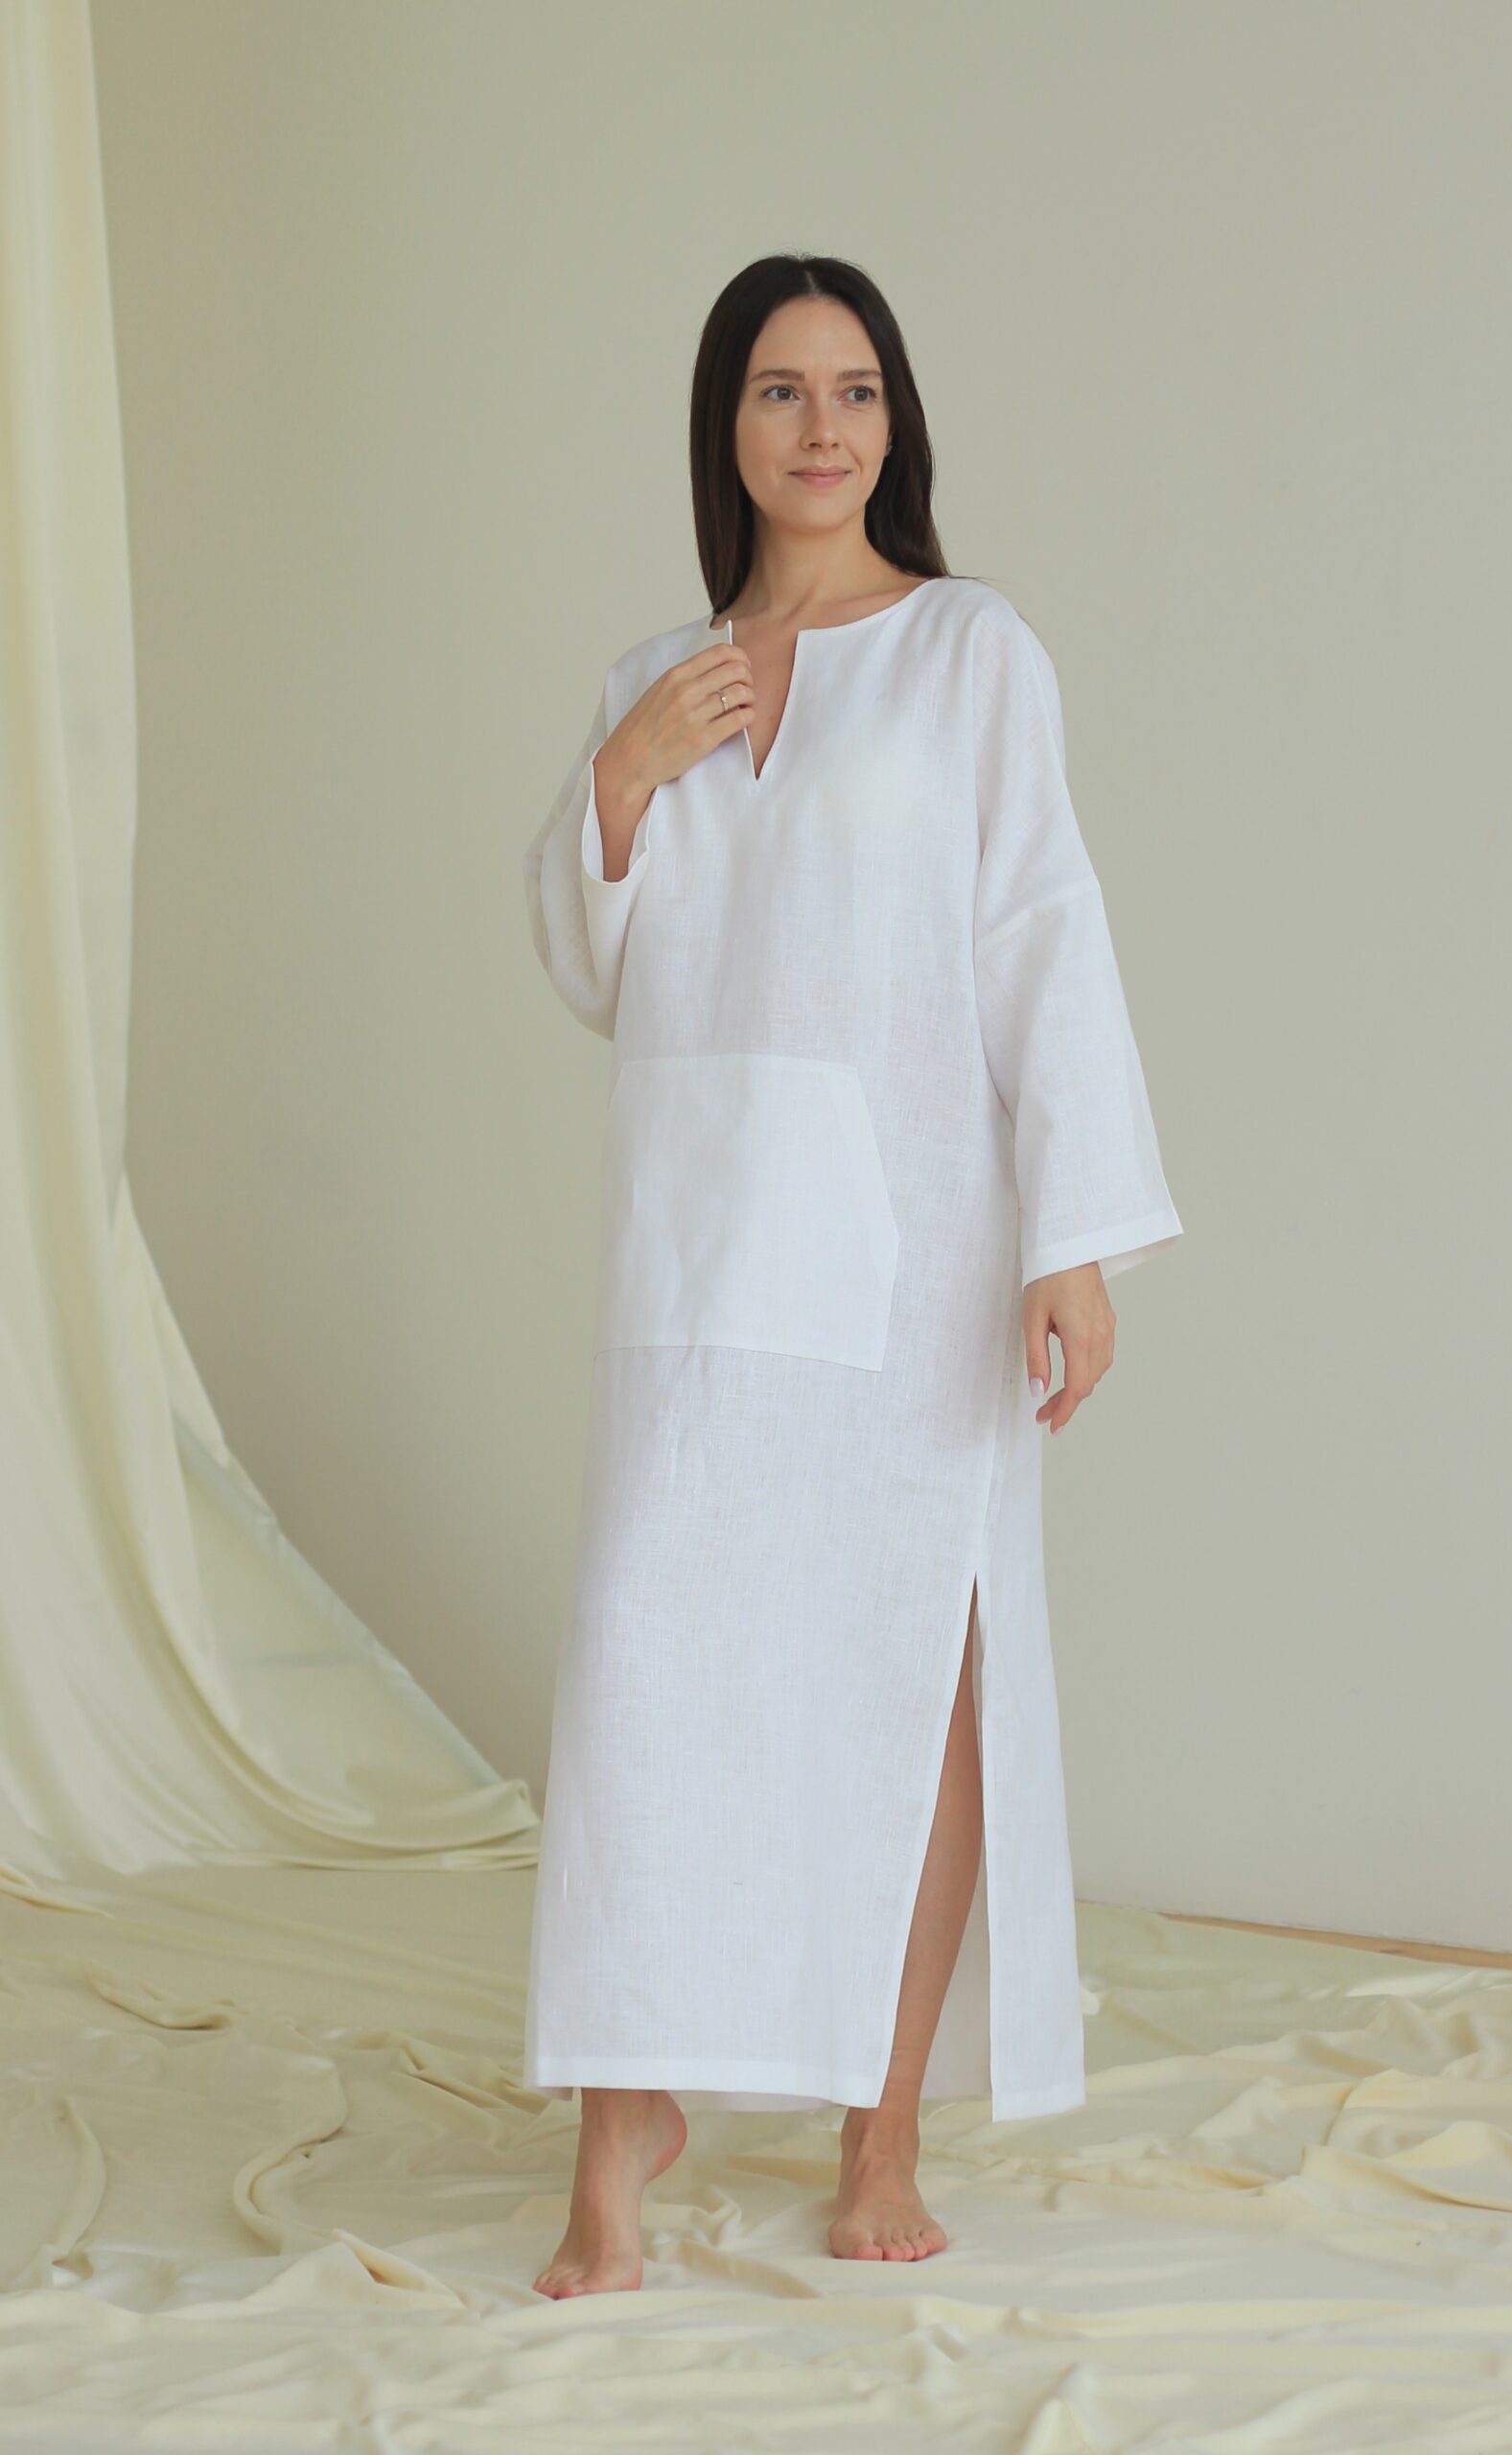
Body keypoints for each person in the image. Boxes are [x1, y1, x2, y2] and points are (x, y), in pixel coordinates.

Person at [520, 253, 1183, 2298]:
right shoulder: (657, 673)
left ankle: (877, 2123)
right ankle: (620, 2121)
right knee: (650, 1664)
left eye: (857, 389)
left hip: (912, 1242)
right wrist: (619, 779)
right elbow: (597, 964)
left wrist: (1072, 1231)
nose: (823, 428)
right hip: (701, 1242)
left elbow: (1038, 929)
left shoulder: (970, 652)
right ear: (724, 425)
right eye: (781, 390)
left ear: (896, 424)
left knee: (918, 1660)